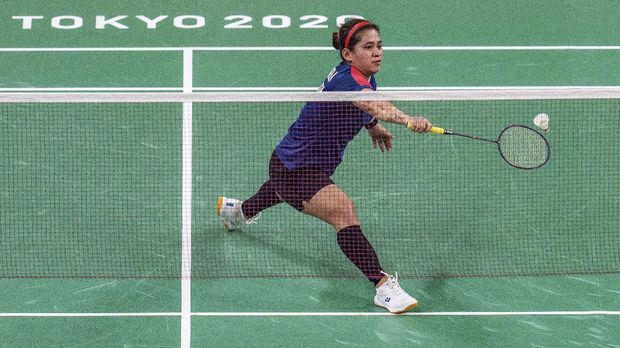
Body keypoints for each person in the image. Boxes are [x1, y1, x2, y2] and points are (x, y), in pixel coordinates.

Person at [217, 18, 432, 314]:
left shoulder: (362, 77)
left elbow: (362, 107)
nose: (377, 52)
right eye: (368, 47)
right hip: (295, 168)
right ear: (348, 54)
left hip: (293, 162)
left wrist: (372, 126)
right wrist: (407, 120)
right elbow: (376, 104)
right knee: (343, 211)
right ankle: (382, 287)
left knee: (282, 191)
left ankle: (237, 211)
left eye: (379, 46)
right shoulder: (348, 81)